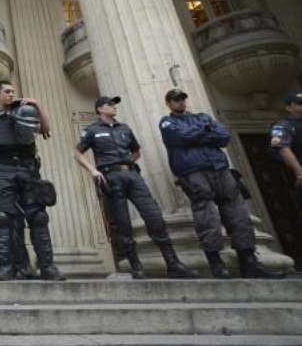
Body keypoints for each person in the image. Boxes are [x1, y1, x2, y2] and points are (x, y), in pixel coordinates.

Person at [160, 88, 284, 279]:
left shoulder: (203, 116)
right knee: (207, 216)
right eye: (176, 100)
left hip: (220, 168)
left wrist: (197, 134)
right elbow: (179, 138)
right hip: (193, 171)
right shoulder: (168, 122)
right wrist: (205, 131)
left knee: (239, 214)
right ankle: (217, 264)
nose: (181, 103)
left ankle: (249, 262)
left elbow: (223, 137)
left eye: (183, 99)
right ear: (169, 103)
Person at [75, 95, 196, 279]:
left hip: (132, 175)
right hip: (110, 176)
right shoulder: (92, 130)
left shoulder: (125, 128)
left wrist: (127, 163)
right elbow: (78, 153)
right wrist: (93, 170)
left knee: (154, 215)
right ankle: (136, 267)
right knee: (122, 223)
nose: (114, 107)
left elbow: (136, 151)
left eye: (115, 104)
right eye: (110, 104)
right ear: (100, 109)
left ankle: (173, 263)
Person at [0, 80, 65, 281]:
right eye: (7, 91)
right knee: (3, 218)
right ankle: (7, 267)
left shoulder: (26, 111)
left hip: (27, 168)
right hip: (1, 169)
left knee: (38, 217)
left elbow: (45, 129)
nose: (11, 94)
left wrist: (37, 105)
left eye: (13, 91)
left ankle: (48, 267)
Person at [269, 92, 302, 212]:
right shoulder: (283, 125)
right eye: (299, 104)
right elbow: (282, 147)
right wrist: (299, 172)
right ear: (289, 107)